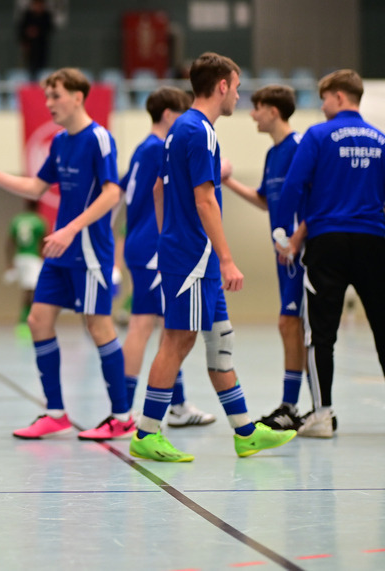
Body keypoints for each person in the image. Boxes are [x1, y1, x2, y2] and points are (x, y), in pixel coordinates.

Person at [129, 52, 297, 462]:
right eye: (237, 87)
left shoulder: (179, 129)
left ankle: (245, 432)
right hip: (192, 258)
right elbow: (205, 200)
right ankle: (146, 433)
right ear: (222, 86)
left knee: (221, 340)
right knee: (178, 340)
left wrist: (169, 235)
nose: (239, 96)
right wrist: (225, 258)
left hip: (190, 254)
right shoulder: (199, 130)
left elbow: (159, 191)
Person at [0, 68, 132, 441]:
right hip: (60, 252)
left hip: (89, 250)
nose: (49, 103)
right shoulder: (58, 142)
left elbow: (112, 193)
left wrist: (71, 229)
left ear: (78, 97)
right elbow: (36, 187)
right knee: (38, 320)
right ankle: (55, 413)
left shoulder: (99, 138)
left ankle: (122, 417)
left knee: (98, 327)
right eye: (47, 97)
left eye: (56, 96)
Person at [274, 69, 385, 438]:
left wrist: (282, 234)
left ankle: (322, 414)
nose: (322, 106)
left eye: (324, 99)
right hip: (374, 242)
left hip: (327, 244)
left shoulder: (318, 135)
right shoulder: (381, 139)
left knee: (320, 333)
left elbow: (293, 186)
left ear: (339, 96)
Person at [119, 86, 215, 427]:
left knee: (169, 326)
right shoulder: (158, 148)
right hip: (151, 246)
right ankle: (122, 410)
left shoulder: (142, 148)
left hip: (143, 242)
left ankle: (177, 404)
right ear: (169, 115)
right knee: (143, 325)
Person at [222, 85, 307, 431]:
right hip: (282, 256)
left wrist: (297, 240)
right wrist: (227, 181)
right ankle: (292, 406)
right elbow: (264, 200)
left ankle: (294, 406)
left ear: (273, 111)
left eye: (257, 107)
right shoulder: (273, 154)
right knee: (291, 325)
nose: (252, 114)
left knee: (293, 324)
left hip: (301, 254)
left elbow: (315, 198)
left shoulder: (300, 146)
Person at [6, 199, 47, 325]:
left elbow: (10, 242)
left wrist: (9, 262)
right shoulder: (39, 221)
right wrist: (43, 257)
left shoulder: (17, 220)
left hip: (19, 257)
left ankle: (28, 318)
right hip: (32, 257)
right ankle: (25, 319)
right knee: (32, 290)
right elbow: (42, 242)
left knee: (27, 289)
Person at [17, 0, 54, 80]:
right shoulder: (27, 15)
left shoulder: (46, 15)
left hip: (42, 47)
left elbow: (49, 28)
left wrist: (38, 32)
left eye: (40, 4)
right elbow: (21, 30)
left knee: (42, 66)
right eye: (36, 4)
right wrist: (27, 35)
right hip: (30, 47)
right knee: (30, 67)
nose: (38, 7)